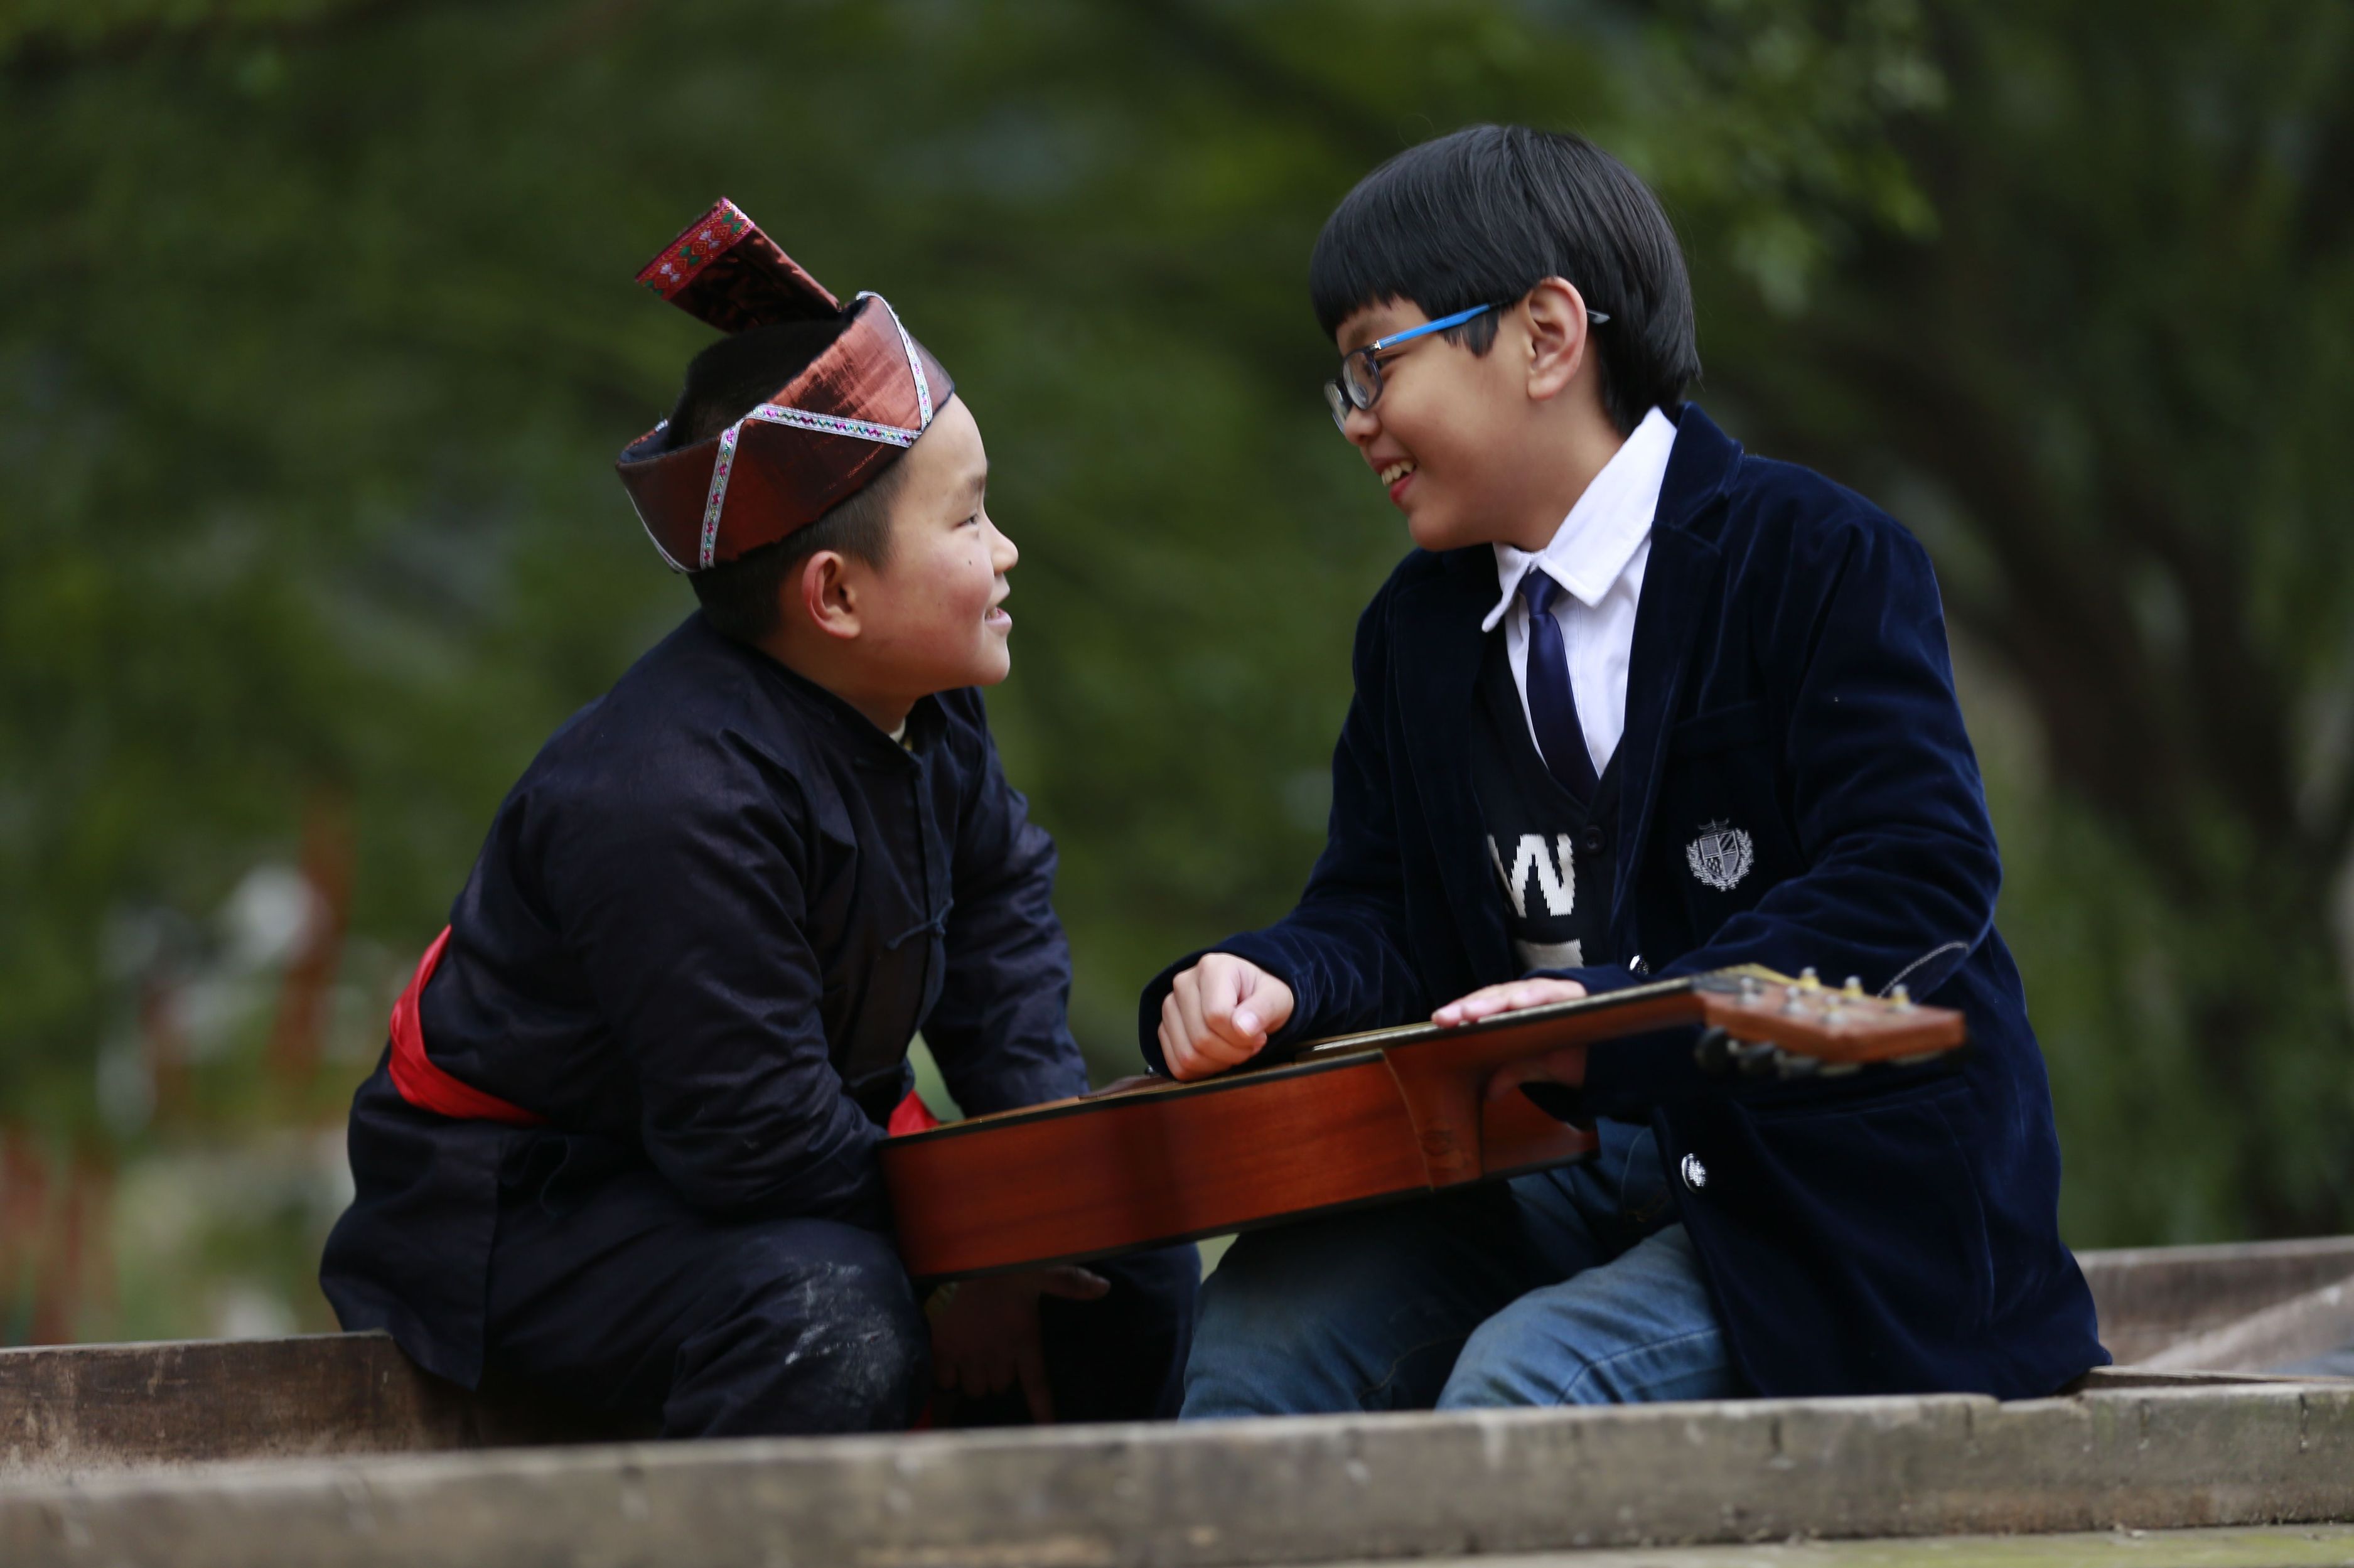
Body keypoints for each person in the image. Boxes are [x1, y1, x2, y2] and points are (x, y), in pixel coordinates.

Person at [1143, 127, 2105, 1416]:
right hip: (1541, 1152)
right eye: (1343, 383)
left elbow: (1914, 883)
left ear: (1546, 335)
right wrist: (1273, 975)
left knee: (1525, 1387)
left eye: (1379, 362)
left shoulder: (1814, 557)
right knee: (1254, 1353)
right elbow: (1381, 908)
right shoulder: (1417, 629)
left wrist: (1618, 1011)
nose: (1357, 419)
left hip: (1823, 1179)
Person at [322, 200, 1195, 1438]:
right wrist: (974, 1244)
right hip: (538, 1211)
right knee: (825, 1311)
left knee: (1123, 1248)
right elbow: (757, 1145)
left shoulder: (923, 702)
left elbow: (1000, 916)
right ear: (835, 592)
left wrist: (1032, 1176)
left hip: (779, 1171)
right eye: (967, 518)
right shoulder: (664, 796)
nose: (1006, 552)